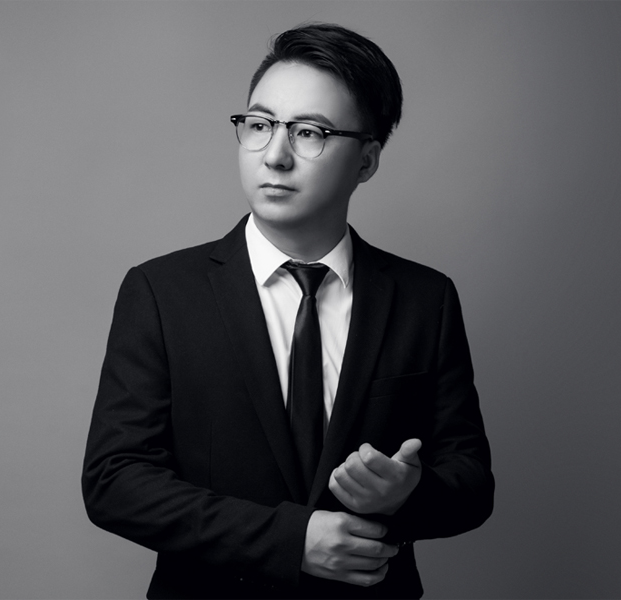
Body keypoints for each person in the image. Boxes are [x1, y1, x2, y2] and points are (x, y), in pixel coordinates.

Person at [82, 22, 494, 600]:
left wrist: (406, 495)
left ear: (367, 160)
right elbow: (115, 480)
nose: (274, 156)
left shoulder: (425, 299)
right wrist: (290, 540)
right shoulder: (161, 291)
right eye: (259, 125)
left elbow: (471, 483)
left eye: (309, 132)